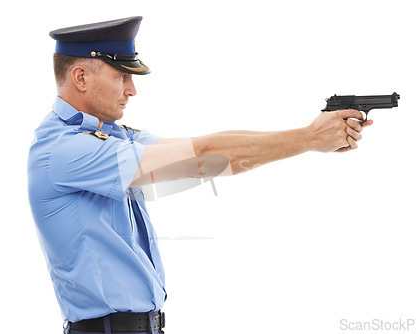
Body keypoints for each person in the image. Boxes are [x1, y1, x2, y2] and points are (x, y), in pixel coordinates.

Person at [27, 16, 372, 334]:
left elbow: (206, 151)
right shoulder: (64, 150)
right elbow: (207, 159)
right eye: (121, 76)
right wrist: (309, 139)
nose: (132, 89)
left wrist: (308, 136)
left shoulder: (111, 135)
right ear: (81, 77)